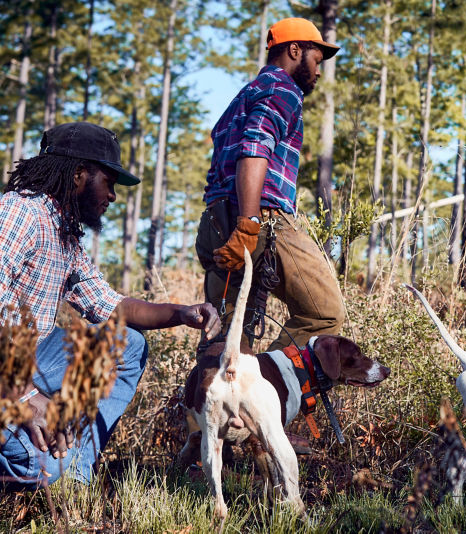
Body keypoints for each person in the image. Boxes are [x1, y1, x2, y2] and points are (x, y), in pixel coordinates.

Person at [0, 122, 222, 488]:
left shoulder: (64, 233)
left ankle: (75, 473)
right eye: (109, 181)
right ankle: (39, 460)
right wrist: (24, 396)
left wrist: (180, 313)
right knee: (41, 469)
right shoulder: (21, 212)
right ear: (78, 174)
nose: (114, 195)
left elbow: (110, 305)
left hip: (32, 357)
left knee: (128, 345)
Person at [197, 17, 345, 352]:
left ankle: (211, 403)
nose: (319, 71)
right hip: (260, 219)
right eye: (317, 61)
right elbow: (254, 149)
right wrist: (249, 224)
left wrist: (226, 221)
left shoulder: (241, 97)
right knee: (324, 315)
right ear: (295, 50)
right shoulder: (283, 90)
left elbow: (220, 165)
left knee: (229, 337)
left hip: (215, 223)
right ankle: (275, 391)